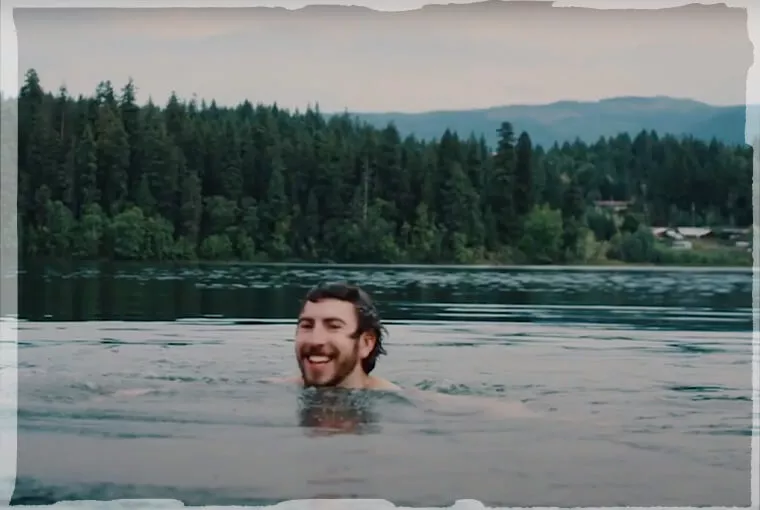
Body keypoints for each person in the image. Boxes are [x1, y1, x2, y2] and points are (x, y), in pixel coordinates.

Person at [273, 281, 537, 419]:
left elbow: (505, 412)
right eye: (306, 326)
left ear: (366, 343)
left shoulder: (401, 399)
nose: (315, 339)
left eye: (333, 326)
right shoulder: (275, 389)